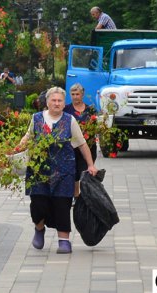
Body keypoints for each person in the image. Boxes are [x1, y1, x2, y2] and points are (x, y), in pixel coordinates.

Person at [17, 87, 98, 253]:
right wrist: (15, 149)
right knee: (38, 205)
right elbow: (28, 137)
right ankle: (39, 229)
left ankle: (64, 241)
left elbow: (82, 144)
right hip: (39, 170)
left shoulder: (70, 120)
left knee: (62, 204)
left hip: (64, 170)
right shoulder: (37, 118)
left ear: (63, 102)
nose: (56, 103)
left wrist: (91, 165)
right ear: (47, 102)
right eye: (53, 100)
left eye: (60, 100)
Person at [64, 83, 98, 187]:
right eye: (73, 94)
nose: (75, 97)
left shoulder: (90, 110)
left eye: (77, 94)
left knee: (84, 172)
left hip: (88, 146)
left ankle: (82, 197)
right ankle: (76, 195)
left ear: (82, 95)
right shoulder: (66, 110)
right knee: (73, 174)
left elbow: (96, 127)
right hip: (72, 148)